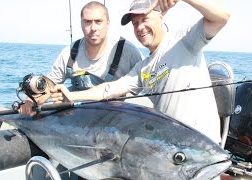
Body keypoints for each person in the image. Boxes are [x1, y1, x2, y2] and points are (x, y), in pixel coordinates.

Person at [51, 0, 229, 145]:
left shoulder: (184, 41)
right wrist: (72, 97)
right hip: (173, 147)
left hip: (202, 147)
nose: (140, 27)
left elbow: (221, 17)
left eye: (145, 19)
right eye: (135, 23)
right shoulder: (143, 68)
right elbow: (108, 89)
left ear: (161, 16)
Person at [19, 1, 143, 115]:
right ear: (81, 24)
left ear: (108, 23)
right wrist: (30, 101)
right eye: (87, 22)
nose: (93, 28)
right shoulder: (69, 53)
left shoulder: (129, 52)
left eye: (98, 21)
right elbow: (50, 86)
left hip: (113, 118)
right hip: (76, 118)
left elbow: (147, 82)